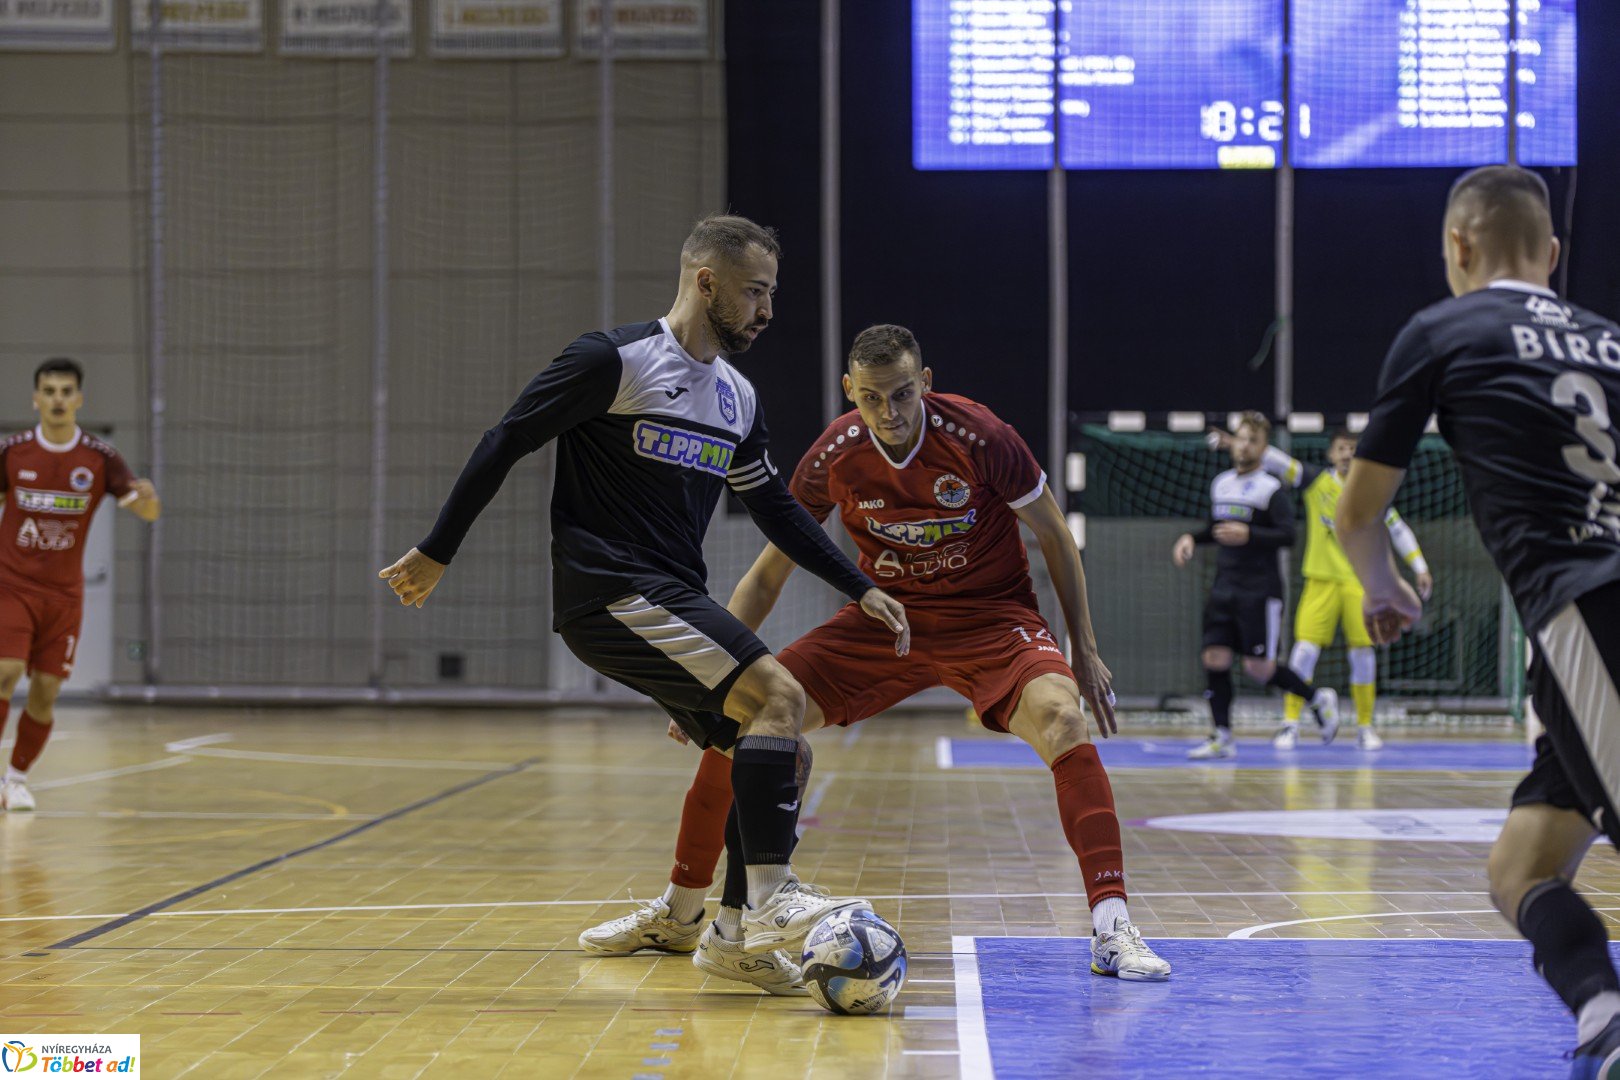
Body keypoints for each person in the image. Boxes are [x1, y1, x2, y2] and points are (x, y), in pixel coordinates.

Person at [378, 214, 909, 957]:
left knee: (765, 742)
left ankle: (715, 933)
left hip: (667, 595)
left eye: (771, 294)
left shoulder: (737, 398)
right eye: (756, 292)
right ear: (706, 282)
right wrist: (438, 550)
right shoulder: (613, 360)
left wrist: (859, 585)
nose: (767, 311)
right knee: (782, 698)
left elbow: (776, 509)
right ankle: (772, 894)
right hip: (609, 592)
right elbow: (507, 438)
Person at [579, 324, 1170, 989]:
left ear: (924, 382)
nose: (888, 413)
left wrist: (1081, 647)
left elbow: (1057, 536)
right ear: (848, 392)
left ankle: (1112, 927)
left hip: (992, 619)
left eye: (900, 396)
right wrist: (709, 682)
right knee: (747, 718)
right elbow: (769, 573)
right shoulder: (836, 454)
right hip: (884, 623)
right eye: (871, 399)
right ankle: (682, 912)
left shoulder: (981, 437)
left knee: (1064, 718)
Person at [1336, 165, 1620, 1079]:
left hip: (1587, 607)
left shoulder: (1442, 330)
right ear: (1552, 254)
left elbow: (1357, 512)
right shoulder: (1611, 340)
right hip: (1575, 631)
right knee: (1520, 867)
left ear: (1458, 245)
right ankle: (1604, 1017)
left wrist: (1383, 592)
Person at [1208, 425, 1434, 751]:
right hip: (1320, 581)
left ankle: (1365, 727)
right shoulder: (1317, 483)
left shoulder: (1369, 493)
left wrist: (1420, 566)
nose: (1347, 454)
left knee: (1363, 655)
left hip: (1359, 584)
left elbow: (1398, 529)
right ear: (1331, 454)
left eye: (1354, 449)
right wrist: (1237, 443)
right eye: (1341, 448)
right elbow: (1281, 462)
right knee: (1304, 652)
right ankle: (1290, 723)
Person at [0, 358, 160, 811]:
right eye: (48, 391)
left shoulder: (99, 458)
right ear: (35, 398)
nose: (57, 399)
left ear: (79, 399)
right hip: (10, 584)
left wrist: (150, 500)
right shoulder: (12, 452)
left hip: (63, 595)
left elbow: (146, 512)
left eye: (65, 391)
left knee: (47, 690)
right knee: (5, 671)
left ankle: (15, 780)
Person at [1173, 411, 1338, 759]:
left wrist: (1251, 534)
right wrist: (1191, 538)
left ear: (1263, 448)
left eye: (1253, 440)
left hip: (1260, 591)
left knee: (1258, 669)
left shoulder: (1271, 489)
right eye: (1241, 438)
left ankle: (1316, 699)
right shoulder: (1221, 484)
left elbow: (1288, 535)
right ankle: (1222, 735)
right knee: (1214, 657)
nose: (1244, 446)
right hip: (1224, 587)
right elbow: (1215, 528)